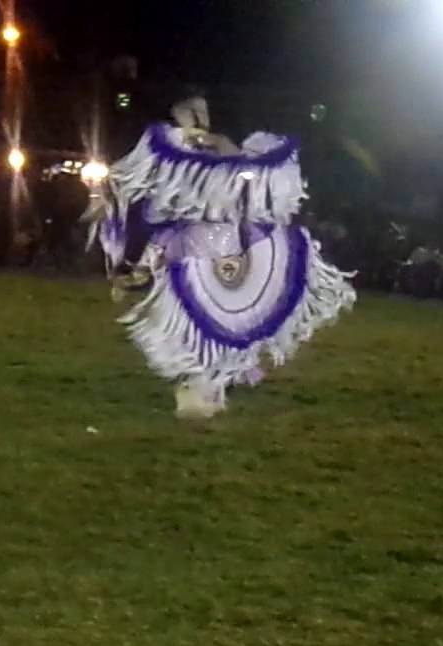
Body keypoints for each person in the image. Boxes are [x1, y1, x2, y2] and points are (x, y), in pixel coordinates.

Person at [85, 94, 357, 418]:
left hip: (222, 244)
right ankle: (199, 383)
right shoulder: (177, 150)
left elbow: (246, 180)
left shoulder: (217, 148)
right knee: (197, 317)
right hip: (191, 246)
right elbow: (151, 194)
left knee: (227, 315)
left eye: (199, 114)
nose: (196, 119)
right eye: (190, 114)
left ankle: (220, 376)